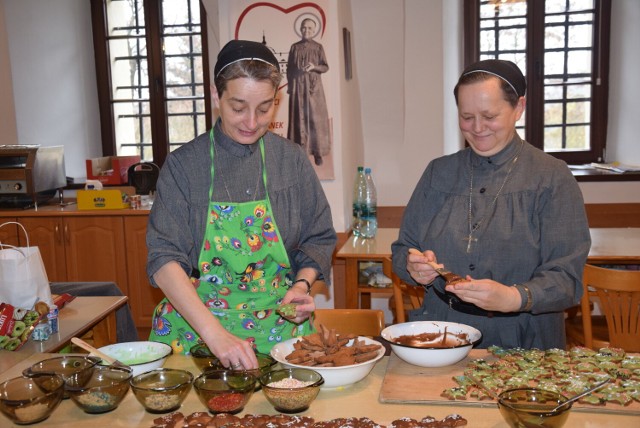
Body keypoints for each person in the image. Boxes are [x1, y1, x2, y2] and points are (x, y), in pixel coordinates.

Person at [146, 39, 336, 370]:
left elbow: (317, 237)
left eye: (264, 108)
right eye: (238, 107)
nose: (251, 122)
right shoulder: (183, 166)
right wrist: (214, 334)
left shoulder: (291, 160)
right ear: (216, 94)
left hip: (277, 332)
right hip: (195, 335)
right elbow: (163, 259)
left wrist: (302, 284)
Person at [391, 59, 590, 350]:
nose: (478, 128)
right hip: (442, 334)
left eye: (489, 115)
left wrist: (513, 297)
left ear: (518, 108)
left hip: (525, 339)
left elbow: (568, 280)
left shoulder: (551, 177)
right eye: (467, 116)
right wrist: (414, 267)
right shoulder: (438, 172)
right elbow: (402, 248)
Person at [287, 18, 331, 166]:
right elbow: (289, 69)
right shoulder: (294, 47)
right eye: (304, 28)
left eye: (310, 28)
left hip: (314, 89)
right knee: (299, 120)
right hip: (298, 88)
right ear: (300, 29)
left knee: (315, 120)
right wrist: (290, 86)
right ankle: (301, 153)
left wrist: (314, 67)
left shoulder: (318, 47)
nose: (307, 31)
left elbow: (325, 67)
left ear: (314, 30)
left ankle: (318, 153)